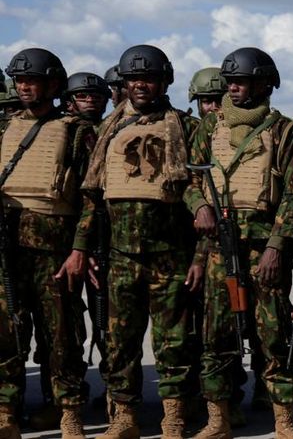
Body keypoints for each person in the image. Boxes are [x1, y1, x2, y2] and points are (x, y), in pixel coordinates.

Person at [61, 44, 200, 439]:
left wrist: (201, 255)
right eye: (134, 78)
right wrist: (79, 249)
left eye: (149, 77)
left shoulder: (186, 129)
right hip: (120, 257)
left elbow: (200, 191)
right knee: (120, 343)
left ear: (163, 81)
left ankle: (172, 419)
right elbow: (92, 199)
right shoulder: (108, 132)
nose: (141, 84)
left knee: (173, 345)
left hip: (171, 257)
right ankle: (124, 418)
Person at [185, 47, 293, 439]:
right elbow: (190, 179)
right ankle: (218, 419)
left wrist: (276, 246)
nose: (232, 87)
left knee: (273, 336)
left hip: (263, 250)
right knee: (216, 337)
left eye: (240, 81)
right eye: (229, 81)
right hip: (221, 248)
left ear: (264, 83)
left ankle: (283, 420)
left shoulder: (284, 130)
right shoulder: (210, 127)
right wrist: (199, 205)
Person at [0, 48, 95, 439]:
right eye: (20, 80)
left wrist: (79, 250)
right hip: (8, 248)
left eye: (33, 80)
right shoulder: (3, 126)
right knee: (6, 332)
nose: (24, 86)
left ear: (54, 85)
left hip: (55, 250)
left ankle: (67, 411)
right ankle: (6, 411)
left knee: (61, 336)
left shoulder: (76, 130)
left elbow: (91, 198)